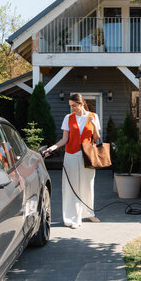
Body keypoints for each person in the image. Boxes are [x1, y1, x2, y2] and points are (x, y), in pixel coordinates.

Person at [43, 93, 101, 229]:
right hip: (71, 155)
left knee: (88, 185)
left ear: (81, 104)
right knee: (71, 187)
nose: (72, 108)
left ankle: (89, 213)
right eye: (71, 106)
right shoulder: (68, 118)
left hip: (87, 156)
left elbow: (96, 139)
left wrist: (93, 125)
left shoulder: (93, 117)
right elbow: (64, 139)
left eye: (74, 106)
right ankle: (73, 218)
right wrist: (52, 148)